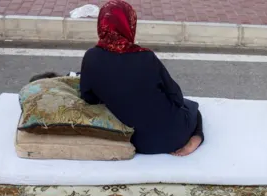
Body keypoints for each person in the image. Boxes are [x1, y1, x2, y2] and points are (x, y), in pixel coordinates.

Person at [79, 0, 204, 156]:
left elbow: (88, 97)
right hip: (175, 136)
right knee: (193, 108)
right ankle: (197, 137)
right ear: (129, 24)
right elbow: (176, 97)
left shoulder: (91, 57)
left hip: (135, 141)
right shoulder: (145, 57)